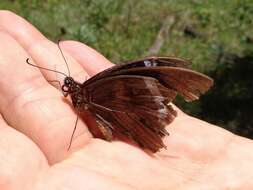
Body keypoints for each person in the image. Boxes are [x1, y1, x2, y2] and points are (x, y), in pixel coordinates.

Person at [0, 10, 252, 190]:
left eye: (67, 85)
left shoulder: (88, 92)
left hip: (128, 116)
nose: (67, 88)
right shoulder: (84, 93)